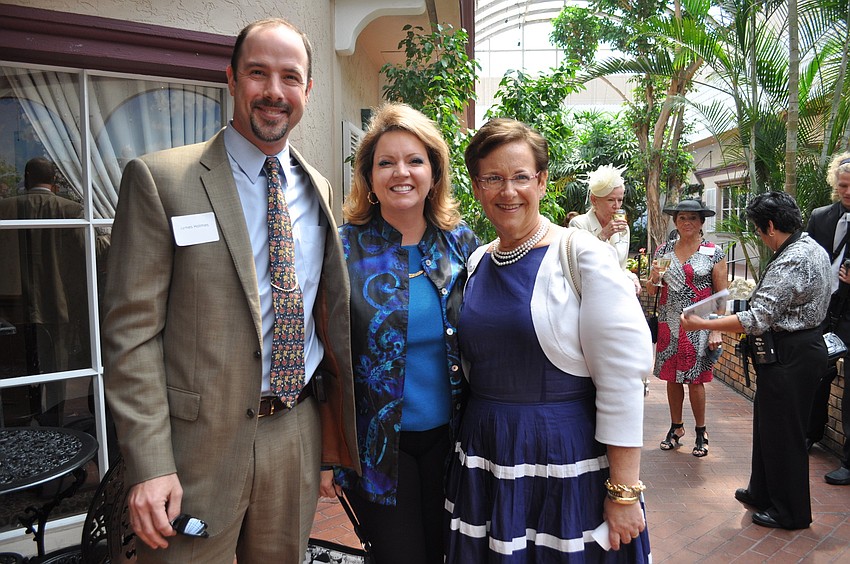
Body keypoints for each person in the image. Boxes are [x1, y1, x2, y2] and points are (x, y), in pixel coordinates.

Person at [101, 18, 359, 563]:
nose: (274, 91)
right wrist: (150, 464)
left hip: (294, 432)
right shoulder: (161, 180)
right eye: (257, 73)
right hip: (194, 448)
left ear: (308, 89)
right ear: (232, 78)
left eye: (290, 77)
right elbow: (131, 336)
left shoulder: (317, 187)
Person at [445, 118, 652, 561]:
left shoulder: (582, 255)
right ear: (477, 187)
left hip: (563, 456)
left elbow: (622, 378)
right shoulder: (477, 261)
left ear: (540, 182)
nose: (508, 191)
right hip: (487, 452)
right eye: (493, 178)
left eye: (521, 176)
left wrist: (623, 492)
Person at [325, 103, 478, 564]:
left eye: (415, 160)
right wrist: (328, 453)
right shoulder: (341, 249)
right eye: (386, 163)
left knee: (449, 554)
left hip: (454, 441)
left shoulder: (462, 244)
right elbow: (323, 356)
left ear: (434, 172)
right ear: (369, 178)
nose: (401, 173)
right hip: (374, 448)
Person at [682, 191, 830, 530]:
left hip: (790, 353)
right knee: (769, 427)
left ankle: (790, 511)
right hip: (793, 350)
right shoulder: (809, 247)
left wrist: (704, 323)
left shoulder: (793, 258)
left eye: (759, 230)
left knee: (785, 434)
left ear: (771, 226)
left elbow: (758, 318)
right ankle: (762, 491)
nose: (760, 237)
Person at [647, 199, 727, 458]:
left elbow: (721, 295)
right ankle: (676, 427)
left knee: (695, 380)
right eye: (682, 217)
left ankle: (701, 431)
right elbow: (652, 289)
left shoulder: (714, 252)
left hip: (699, 324)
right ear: (675, 221)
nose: (687, 222)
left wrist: (716, 329)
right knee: (672, 378)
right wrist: (654, 278)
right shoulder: (664, 251)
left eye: (693, 218)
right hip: (669, 322)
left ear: (701, 222)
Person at [804, 152, 850, 485]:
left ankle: (848, 461)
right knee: (815, 372)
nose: (848, 192)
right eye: (843, 185)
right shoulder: (821, 217)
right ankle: (809, 434)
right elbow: (805, 258)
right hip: (823, 310)